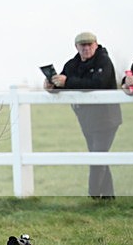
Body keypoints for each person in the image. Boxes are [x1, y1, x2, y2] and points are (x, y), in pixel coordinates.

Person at [43, 31, 122, 198]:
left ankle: (93, 195)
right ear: (76, 47)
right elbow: (63, 84)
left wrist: (67, 82)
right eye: (82, 45)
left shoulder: (104, 61)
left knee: (97, 155)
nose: (86, 48)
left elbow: (98, 83)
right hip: (86, 119)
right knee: (98, 155)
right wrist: (52, 86)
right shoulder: (73, 64)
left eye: (89, 44)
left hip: (106, 118)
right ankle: (108, 197)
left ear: (96, 45)